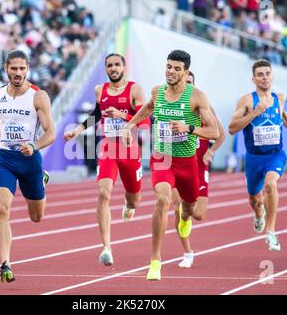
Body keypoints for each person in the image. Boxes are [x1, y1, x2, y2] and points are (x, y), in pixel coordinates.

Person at [123, 50, 219, 280]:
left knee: (190, 209)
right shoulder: (158, 92)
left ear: (186, 73)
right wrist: (130, 125)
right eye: (168, 67)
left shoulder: (197, 97)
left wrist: (190, 128)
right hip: (162, 158)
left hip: (187, 163)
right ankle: (155, 261)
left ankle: (184, 218)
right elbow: (148, 107)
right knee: (162, 200)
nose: (171, 72)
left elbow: (214, 131)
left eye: (177, 69)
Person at [0, 50, 55, 282]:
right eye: (14, 68)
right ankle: (5, 263)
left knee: (36, 216)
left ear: (28, 69)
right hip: (5, 159)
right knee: (2, 209)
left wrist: (34, 146)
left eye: (22, 69)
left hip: (30, 161)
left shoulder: (38, 96)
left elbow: (51, 133)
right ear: (6, 68)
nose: (18, 73)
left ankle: (41, 180)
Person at [63, 53, 149, 266]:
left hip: (129, 150)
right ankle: (106, 247)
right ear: (106, 69)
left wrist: (122, 116)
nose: (113, 68)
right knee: (103, 193)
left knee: (134, 199)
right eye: (109, 65)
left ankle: (129, 205)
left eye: (117, 65)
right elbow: (97, 114)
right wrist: (77, 130)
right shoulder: (100, 90)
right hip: (108, 148)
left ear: (124, 67)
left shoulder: (135, 89)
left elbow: (145, 119)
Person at [228, 59, 287, 251]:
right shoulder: (247, 100)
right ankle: (258, 213)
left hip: (275, 155)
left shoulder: (280, 98)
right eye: (260, 75)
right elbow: (232, 128)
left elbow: (282, 115)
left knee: (271, 185)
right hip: (254, 158)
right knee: (254, 198)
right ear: (253, 79)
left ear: (272, 76)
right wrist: (255, 113)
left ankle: (271, 232)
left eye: (267, 74)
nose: (264, 78)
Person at [173, 70, 226, 268]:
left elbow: (220, 134)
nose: (187, 85)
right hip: (176, 163)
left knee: (198, 214)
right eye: (184, 82)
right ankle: (188, 253)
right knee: (178, 208)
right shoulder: (172, 105)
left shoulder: (203, 104)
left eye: (190, 82)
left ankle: (185, 212)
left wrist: (210, 151)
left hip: (198, 163)